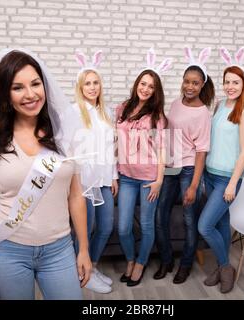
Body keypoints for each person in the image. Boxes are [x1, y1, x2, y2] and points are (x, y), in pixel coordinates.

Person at [0, 48, 92, 300]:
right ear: (5, 94)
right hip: (7, 251)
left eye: (35, 84)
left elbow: (75, 196)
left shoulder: (64, 135)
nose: (30, 94)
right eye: (18, 88)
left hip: (59, 249)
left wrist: (83, 249)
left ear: (44, 86)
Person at [198, 47, 244, 294]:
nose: (231, 86)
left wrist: (233, 183)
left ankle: (225, 268)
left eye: (236, 82)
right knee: (221, 223)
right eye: (227, 82)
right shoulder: (220, 105)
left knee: (204, 226)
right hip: (210, 175)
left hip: (226, 180)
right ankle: (222, 269)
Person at [154, 47, 213, 284]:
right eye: (187, 81)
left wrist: (194, 185)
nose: (190, 87)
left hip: (188, 169)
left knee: (190, 220)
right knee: (160, 215)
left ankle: (185, 264)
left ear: (202, 85)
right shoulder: (176, 103)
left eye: (195, 83)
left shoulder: (203, 113)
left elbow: (201, 152)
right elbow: (167, 133)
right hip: (169, 168)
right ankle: (166, 260)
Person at [116, 48, 171, 287]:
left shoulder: (157, 116)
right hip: (126, 176)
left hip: (149, 178)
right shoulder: (122, 108)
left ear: (155, 91)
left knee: (147, 225)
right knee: (124, 226)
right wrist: (112, 174)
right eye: (143, 83)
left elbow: (161, 150)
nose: (146, 88)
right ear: (137, 84)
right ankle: (130, 259)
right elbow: (114, 142)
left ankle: (140, 263)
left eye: (151, 86)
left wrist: (159, 179)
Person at [68, 50, 118, 294]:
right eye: (87, 83)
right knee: (84, 229)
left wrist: (115, 176)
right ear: (80, 86)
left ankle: (92, 265)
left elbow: (111, 148)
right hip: (83, 182)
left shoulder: (107, 113)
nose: (92, 87)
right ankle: (81, 274)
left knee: (106, 225)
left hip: (104, 180)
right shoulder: (74, 112)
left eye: (95, 82)